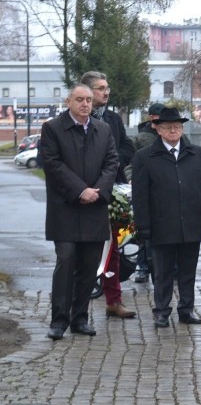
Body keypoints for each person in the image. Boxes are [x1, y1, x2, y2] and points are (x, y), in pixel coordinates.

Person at [41, 84, 119, 340]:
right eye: (79, 99)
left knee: (88, 267)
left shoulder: (103, 129)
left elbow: (111, 162)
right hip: (65, 209)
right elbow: (52, 165)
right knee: (65, 261)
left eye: (88, 99)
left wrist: (97, 191)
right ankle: (59, 321)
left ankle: (80, 319)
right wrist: (80, 190)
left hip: (94, 209)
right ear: (68, 101)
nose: (85, 104)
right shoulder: (52, 128)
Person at [131, 107, 201, 327]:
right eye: (168, 127)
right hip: (162, 223)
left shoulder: (196, 153)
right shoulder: (145, 156)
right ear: (158, 130)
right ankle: (162, 310)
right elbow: (140, 195)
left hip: (191, 221)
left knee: (188, 270)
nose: (174, 131)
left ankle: (186, 309)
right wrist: (143, 225)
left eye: (178, 127)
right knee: (162, 271)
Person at [80, 71, 136, 320]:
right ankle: (77, 303)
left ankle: (113, 299)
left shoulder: (113, 118)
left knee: (113, 250)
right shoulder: (78, 120)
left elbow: (126, 146)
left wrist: (112, 166)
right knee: (82, 251)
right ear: (88, 92)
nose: (107, 92)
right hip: (84, 193)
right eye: (101, 88)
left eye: (107, 87)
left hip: (113, 192)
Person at [129, 102, 165, 284]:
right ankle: (142, 267)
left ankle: (170, 269)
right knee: (145, 232)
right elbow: (130, 163)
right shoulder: (141, 138)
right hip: (146, 192)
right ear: (152, 118)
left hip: (166, 194)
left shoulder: (170, 136)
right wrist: (132, 179)